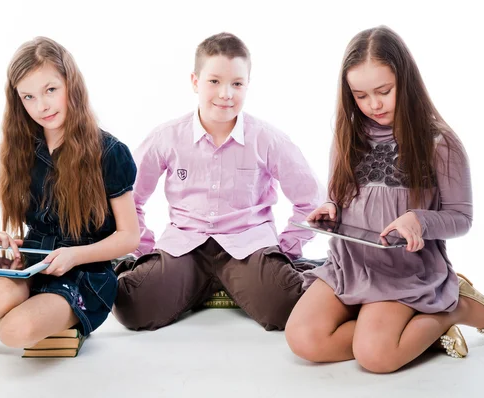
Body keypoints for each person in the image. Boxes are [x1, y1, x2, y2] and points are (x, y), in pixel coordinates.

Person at [285, 26, 484, 373]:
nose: (373, 104)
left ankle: (453, 308)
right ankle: (403, 326)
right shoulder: (347, 136)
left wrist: (420, 219)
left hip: (403, 272)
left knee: (376, 356)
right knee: (304, 340)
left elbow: (461, 218)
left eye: (384, 91)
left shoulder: (439, 142)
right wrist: (330, 208)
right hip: (350, 265)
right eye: (360, 95)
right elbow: (339, 193)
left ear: (406, 81)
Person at [0, 37, 140, 352]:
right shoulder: (13, 152)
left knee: (17, 331)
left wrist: (74, 255)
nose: (41, 106)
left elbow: (129, 238)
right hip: (30, 260)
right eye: (28, 96)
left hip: (85, 271)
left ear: (71, 85)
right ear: (18, 101)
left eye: (50, 90)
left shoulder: (109, 152)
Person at [112, 32, 326, 331]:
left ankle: (291, 269)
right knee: (133, 308)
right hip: (185, 245)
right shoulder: (167, 137)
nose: (226, 93)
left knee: (286, 308)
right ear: (195, 81)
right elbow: (128, 197)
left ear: (247, 85)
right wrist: (145, 250)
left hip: (248, 245)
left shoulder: (267, 138)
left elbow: (312, 201)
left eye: (237, 84)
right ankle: (155, 273)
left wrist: (286, 249)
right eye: (214, 81)